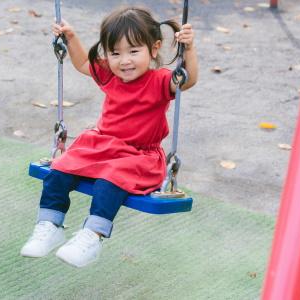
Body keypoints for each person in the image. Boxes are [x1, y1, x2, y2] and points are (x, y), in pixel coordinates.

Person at [20, 5, 198, 268]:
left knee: (110, 179)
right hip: (102, 145)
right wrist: (71, 37)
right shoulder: (109, 74)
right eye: (115, 53)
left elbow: (187, 80)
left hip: (138, 155)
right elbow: (82, 62)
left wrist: (190, 49)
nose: (124, 61)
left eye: (134, 51)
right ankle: (50, 224)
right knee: (60, 169)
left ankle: (92, 234)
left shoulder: (160, 81)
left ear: (155, 48)